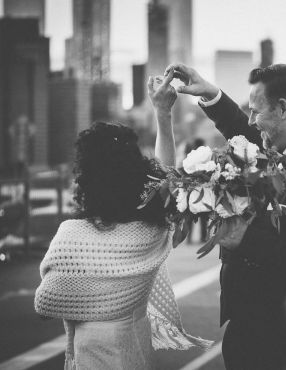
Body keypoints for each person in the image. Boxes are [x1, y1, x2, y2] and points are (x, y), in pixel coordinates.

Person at [166, 62, 286, 369]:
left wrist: (246, 238)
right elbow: (247, 134)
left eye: (256, 111)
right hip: (259, 329)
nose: (251, 120)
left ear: (283, 109)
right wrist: (210, 94)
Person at [34, 70, 211, 370]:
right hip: (135, 350)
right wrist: (162, 113)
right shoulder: (150, 231)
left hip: (90, 355)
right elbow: (164, 175)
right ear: (135, 171)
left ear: (86, 177)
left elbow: (44, 304)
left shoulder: (71, 236)